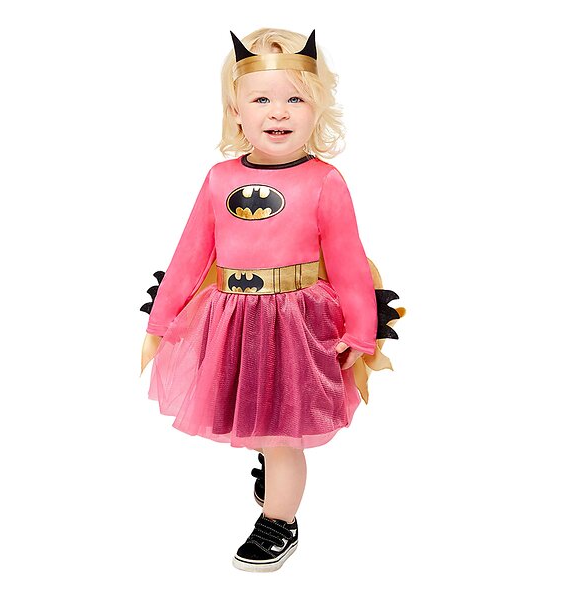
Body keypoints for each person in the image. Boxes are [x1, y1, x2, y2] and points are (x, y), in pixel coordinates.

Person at [139, 28, 403, 573]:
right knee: (254, 409)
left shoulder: (324, 181)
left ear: (317, 108)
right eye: (261, 98)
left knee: (285, 432)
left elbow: (348, 259)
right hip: (233, 319)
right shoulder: (220, 179)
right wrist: (162, 320)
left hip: (299, 323)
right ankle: (270, 461)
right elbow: (191, 253)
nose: (278, 112)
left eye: (295, 99)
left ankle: (279, 519)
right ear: (235, 111)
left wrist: (360, 331)